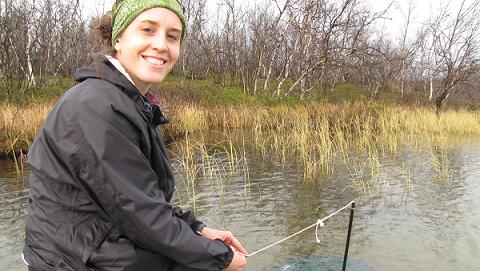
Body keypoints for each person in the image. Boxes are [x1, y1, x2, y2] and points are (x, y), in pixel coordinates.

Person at [22, 0, 248, 270]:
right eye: (147, 30)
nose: (161, 45)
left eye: (172, 36)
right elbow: (138, 212)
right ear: (119, 38)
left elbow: (139, 197)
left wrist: (197, 229)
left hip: (95, 246)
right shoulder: (96, 106)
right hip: (74, 260)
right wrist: (220, 258)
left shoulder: (127, 101)